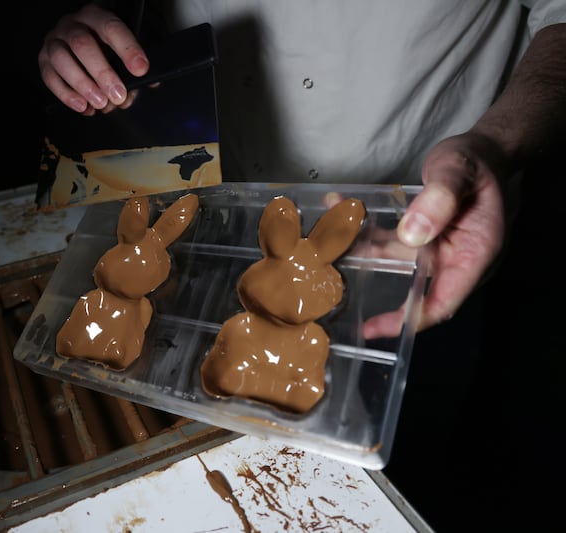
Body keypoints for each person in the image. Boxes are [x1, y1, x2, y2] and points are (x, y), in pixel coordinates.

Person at [37, 1, 566, 529]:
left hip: (425, 247)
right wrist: (104, 52)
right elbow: (150, 22)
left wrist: (497, 142)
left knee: (402, 479)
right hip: (216, 230)